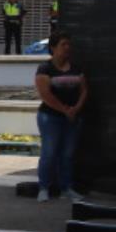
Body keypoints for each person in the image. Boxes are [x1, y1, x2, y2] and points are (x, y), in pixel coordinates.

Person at [33, 33, 86, 203]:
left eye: (68, 44)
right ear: (53, 48)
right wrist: (64, 109)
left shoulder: (76, 68)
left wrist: (75, 109)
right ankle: (43, 188)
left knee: (68, 154)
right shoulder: (45, 69)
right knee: (49, 153)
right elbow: (45, 94)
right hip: (50, 117)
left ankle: (66, 188)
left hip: (72, 118)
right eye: (63, 44)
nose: (67, 48)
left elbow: (84, 89)